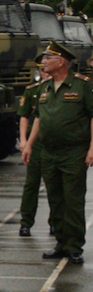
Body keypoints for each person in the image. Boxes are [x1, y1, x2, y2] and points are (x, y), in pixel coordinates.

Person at [21, 41, 93, 265]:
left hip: (74, 151)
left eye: (48, 58)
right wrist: (29, 144)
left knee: (73, 200)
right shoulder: (44, 87)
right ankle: (61, 242)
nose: (43, 62)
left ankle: (74, 246)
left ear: (61, 61)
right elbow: (40, 119)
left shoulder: (83, 86)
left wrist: (92, 148)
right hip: (49, 152)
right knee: (55, 199)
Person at [17, 62, 53, 237]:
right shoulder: (32, 91)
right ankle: (26, 222)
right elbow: (24, 117)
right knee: (32, 184)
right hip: (36, 143)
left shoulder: (59, 90)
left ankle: (55, 222)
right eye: (42, 70)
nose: (45, 73)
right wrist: (24, 141)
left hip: (53, 142)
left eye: (47, 69)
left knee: (54, 185)